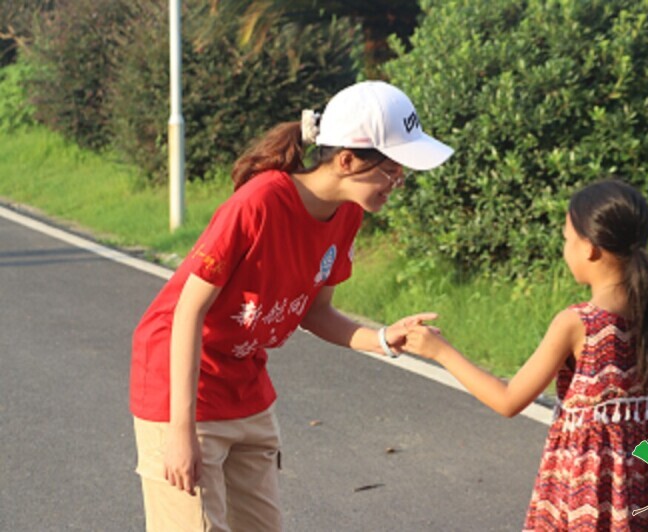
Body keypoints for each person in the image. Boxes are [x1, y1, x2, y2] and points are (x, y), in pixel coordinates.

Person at [129, 80, 453, 532]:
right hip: (182, 386)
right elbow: (188, 310)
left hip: (244, 386)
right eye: (391, 170)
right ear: (346, 160)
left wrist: (383, 339)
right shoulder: (259, 202)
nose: (397, 183)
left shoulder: (347, 214)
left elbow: (315, 313)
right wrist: (179, 431)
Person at [405, 179, 648, 531]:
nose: (565, 248)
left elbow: (508, 400)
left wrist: (440, 352)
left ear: (590, 248)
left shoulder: (578, 323)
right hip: (643, 491)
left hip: (586, 494)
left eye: (567, 239)